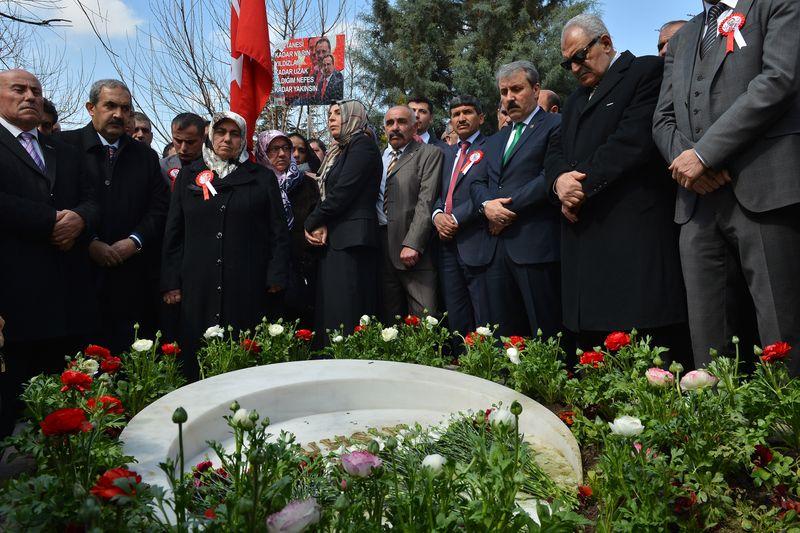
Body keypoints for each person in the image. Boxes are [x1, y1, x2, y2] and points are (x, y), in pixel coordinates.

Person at [653, 0, 800, 373]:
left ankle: (787, 424)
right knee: (707, 333)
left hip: (763, 189)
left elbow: (777, 80)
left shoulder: (777, 4)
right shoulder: (685, 36)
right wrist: (692, 166)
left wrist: (705, 155)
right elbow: (662, 118)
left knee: (780, 327)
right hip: (697, 203)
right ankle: (718, 427)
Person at [546, 14, 689, 362]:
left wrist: (580, 187)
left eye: (580, 56)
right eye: (568, 63)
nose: (575, 68)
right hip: (585, 239)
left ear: (606, 43)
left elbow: (630, 142)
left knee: (645, 352)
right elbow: (555, 149)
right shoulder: (576, 100)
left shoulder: (644, 73)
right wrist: (558, 181)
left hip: (630, 235)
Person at [0, 69, 97, 437]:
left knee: (63, 410)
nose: (30, 97)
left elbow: (91, 200)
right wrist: (51, 221)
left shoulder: (61, 150)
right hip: (14, 303)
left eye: (36, 91)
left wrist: (80, 219)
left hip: (66, 301)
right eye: (19, 89)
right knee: (13, 412)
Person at [162, 112, 290, 379]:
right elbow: (174, 232)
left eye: (234, 134)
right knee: (198, 357)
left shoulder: (261, 178)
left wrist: (276, 273)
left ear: (243, 139)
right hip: (199, 283)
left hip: (246, 282)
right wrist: (171, 281)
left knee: (244, 353)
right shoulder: (189, 176)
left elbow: (278, 231)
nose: (227, 139)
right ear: (210, 136)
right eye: (221, 133)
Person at [59, 79, 169, 354]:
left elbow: (158, 208)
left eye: (126, 108)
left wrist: (134, 241)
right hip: (76, 276)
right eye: (110, 106)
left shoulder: (145, 157)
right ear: (91, 108)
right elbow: (58, 203)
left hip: (130, 279)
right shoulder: (63, 147)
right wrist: (90, 243)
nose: (118, 114)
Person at [471, 60, 562, 338]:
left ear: (536, 90)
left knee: (545, 331)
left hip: (533, 245)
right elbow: (478, 181)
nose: (509, 98)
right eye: (503, 92)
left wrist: (505, 209)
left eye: (516, 89)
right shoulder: (496, 139)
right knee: (504, 334)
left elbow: (549, 176)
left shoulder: (555, 125)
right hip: (496, 251)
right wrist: (488, 206)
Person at [304, 100, 382, 344]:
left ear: (354, 116)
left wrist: (311, 221)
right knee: (333, 311)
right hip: (337, 238)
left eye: (338, 113)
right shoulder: (340, 150)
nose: (331, 118)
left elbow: (343, 192)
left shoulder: (362, 145)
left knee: (347, 312)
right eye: (329, 114)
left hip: (352, 242)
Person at [432, 95, 490, 342]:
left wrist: (455, 218)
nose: (461, 118)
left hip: (475, 238)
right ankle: (459, 364)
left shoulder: (491, 147)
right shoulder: (446, 154)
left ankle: (485, 366)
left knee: (483, 312)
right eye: (455, 114)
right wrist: (437, 216)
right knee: (455, 312)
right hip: (446, 244)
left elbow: (487, 190)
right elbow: (437, 193)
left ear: (481, 117)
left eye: (467, 112)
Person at [379, 105, 442, 321]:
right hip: (382, 246)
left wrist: (413, 242)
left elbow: (426, 200)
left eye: (401, 122)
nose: (395, 128)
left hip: (413, 250)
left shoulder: (429, 154)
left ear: (415, 126)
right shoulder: (381, 158)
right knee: (389, 320)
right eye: (390, 123)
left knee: (425, 317)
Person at [255, 130, 321, 328]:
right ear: (263, 152)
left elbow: (317, 215)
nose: (282, 154)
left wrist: (318, 226)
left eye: (286, 148)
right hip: (264, 270)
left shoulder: (307, 183)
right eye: (274, 149)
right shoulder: (254, 184)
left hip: (301, 269)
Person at [160, 112, 206, 190]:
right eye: (178, 141)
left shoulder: (215, 168)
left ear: (203, 139)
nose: (183, 148)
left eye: (190, 142)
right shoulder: (161, 168)